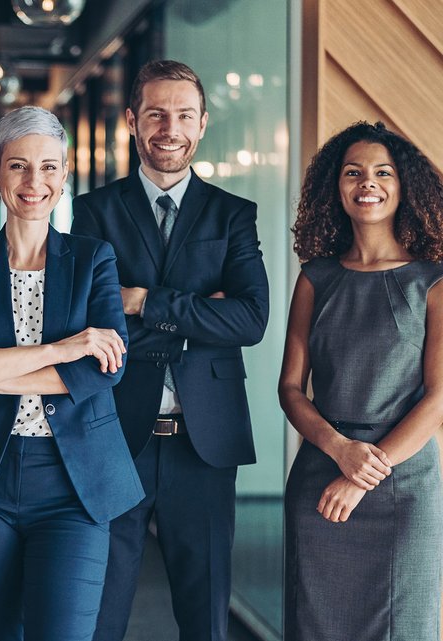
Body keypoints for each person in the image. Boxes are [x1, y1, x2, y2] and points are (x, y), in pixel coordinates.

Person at [0, 105, 144, 641]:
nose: (34, 181)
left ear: (64, 175)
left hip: (75, 484)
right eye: (19, 166)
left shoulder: (95, 259)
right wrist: (65, 347)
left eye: (48, 167)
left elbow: (102, 372)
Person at [71, 59, 270, 641]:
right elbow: (92, 321)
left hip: (204, 444)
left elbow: (250, 319)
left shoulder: (233, 214)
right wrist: (200, 310)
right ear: (133, 121)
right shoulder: (95, 211)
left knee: (205, 614)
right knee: (100, 611)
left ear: (203, 123)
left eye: (184, 114)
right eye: (156, 113)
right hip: (114, 435)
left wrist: (144, 301)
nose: (169, 127)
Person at [279, 121, 443, 641]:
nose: (366, 183)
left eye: (381, 172)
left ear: (403, 186)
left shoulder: (431, 280)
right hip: (320, 477)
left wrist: (362, 473)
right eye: (353, 173)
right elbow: (289, 388)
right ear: (337, 187)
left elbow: (440, 398)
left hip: (405, 486)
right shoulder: (316, 277)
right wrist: (337, 449)